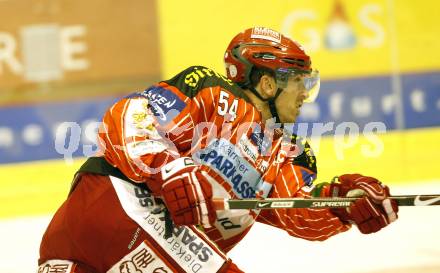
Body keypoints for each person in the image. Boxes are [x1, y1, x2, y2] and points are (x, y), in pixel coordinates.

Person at [38, 27, 398, 273]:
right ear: (268, 83)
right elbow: (129, 118)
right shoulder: (212, 91)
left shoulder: (289, 151)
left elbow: (297, 211)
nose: (305, 95)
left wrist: (344, 202)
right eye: (300, 83)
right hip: (112, 208)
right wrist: (169, 171)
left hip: (121, 246)